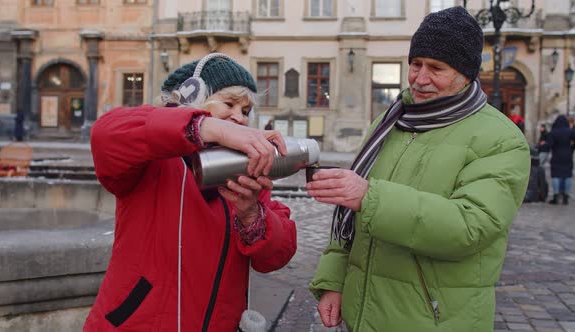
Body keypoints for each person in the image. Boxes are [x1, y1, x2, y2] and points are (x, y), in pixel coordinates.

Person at [306, 7, 530, 332]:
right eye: (415, 64)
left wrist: (370, 198)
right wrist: (333, 281)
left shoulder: (502, 139)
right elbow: (349, 223)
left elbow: (470, 226)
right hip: (362, 314)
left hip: (433, 319)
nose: (420, 78)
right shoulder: (390, 122)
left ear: (465, 73)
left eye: (436, 68)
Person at [84, 53, 297, 331]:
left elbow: (276, 256)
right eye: (229, 104)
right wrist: (211, 128)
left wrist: (252, 216)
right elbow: (106, 134)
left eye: (245, 111)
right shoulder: (153, 160)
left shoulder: (246, 172)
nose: (240, 118)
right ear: (193, 99)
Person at [546, 115, 575, 205]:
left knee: (556, 176)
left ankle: (556, 196)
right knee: (567, 175)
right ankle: (565, 197)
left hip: (556, 155)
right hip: (568, 155)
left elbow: (549, 145)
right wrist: (572, 148)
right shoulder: (570, 131)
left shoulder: (553, 132)